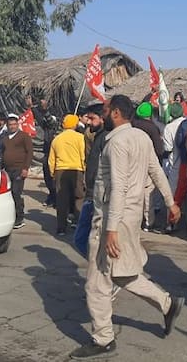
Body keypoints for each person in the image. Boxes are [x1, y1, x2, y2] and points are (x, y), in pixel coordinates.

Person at [70, 95, 184, 360]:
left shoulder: (117, 143)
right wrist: (171, 203)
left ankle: (103, 339)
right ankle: (167, 304)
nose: (102, 113)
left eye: (106, 110)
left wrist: (110, 229)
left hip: (113, 218)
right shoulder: (141, 137)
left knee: (96, 284)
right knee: (121, 273)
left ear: (117, 113)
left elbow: (118, 186)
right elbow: (157, 171)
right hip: (128, 217)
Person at [74, 103, 107, 258]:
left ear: (102, 119)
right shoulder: (98, 137)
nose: (88, 122)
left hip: (97, 194)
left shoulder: (106, 139)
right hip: (92, 192)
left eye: (92, 118)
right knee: (82, 238)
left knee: (82, 237)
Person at [48, 114, 86, 236]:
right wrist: (84, 171)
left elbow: (51, 160)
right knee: (79, 198)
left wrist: (53, 173)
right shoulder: (80, 138)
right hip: (77, 170)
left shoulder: (57, 139)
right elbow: (83, 156)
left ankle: (61, 227)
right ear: (75, 124)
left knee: (61, 199)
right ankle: (77, 222)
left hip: (60, 170)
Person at [132, 102, 167, 232]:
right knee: (148, 194)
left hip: (133, 163)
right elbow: (159, 149)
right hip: (148, 164)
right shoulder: (153, 128)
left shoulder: (132, 125)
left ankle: (135, 219)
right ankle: (148, 221)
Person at [0, 113, 34, 229]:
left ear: (17, 124)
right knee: (7, 194)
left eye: (14, 124)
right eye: (10, 125)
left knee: (16, 193)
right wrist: (0, 169)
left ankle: (20, 217)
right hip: (7, 170)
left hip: (19, 169)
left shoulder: (24, 136)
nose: (12, 126)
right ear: (7, 125)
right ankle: (10, 215)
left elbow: (29, 153)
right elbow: (3, 154)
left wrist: (25, 168)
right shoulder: (4, 138)